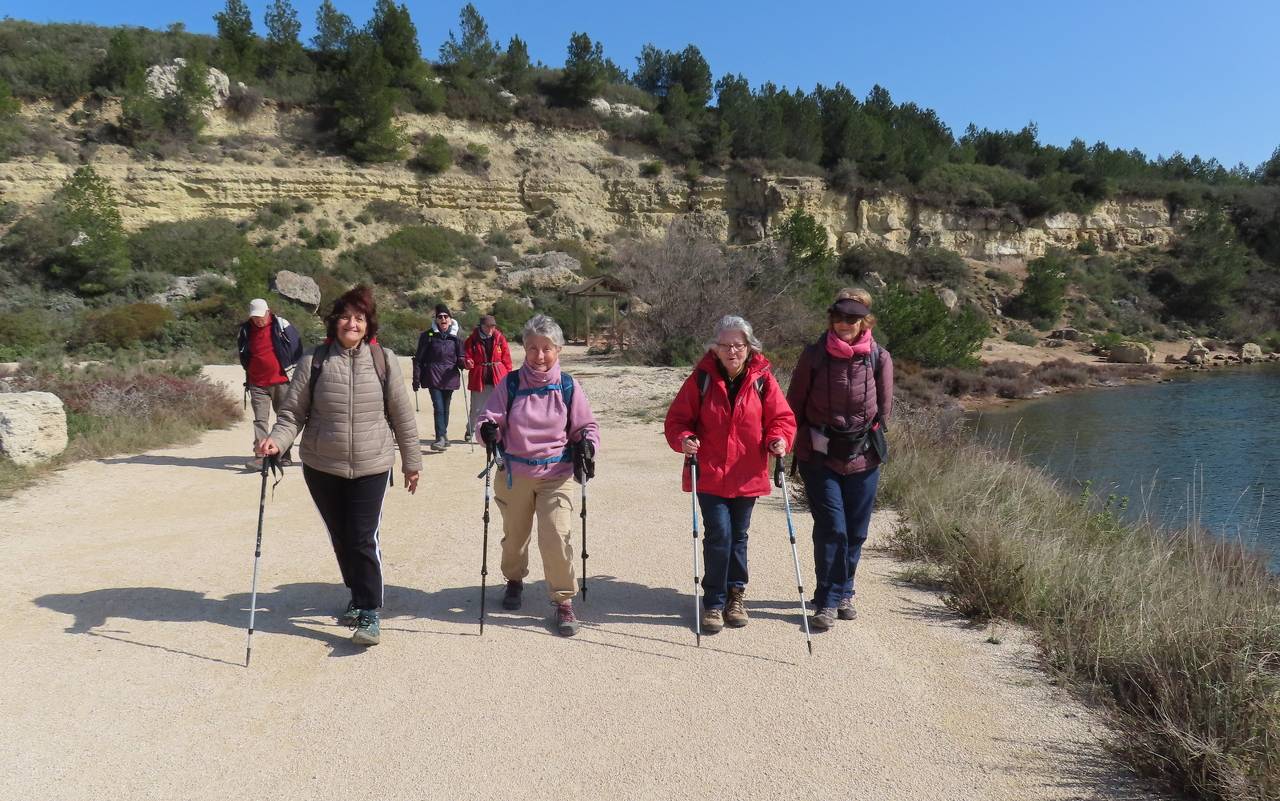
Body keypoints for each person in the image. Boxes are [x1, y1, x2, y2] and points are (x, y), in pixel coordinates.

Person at [256, 285, 421, 647]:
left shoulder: (384, 360)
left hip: (372, 464)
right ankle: (356, 591)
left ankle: (370, 610)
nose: (352, 323)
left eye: (359, 318)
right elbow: (291, 415)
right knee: (341, 537)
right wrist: (276, 441)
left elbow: (402, 415)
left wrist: (412, 462)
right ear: (335, 322)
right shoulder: (313, 361)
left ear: (368, 325)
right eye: (346, 317)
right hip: (322, 465)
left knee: (363, 537)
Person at [664, 316, 796, 633]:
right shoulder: (701, 379)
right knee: (719, 534)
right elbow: (677, 421)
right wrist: (684, 439)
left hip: (747, 474)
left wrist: (779, 439)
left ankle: (736, 595)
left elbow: (782, 419)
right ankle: (713, 601)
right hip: (710, 473)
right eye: (725, 345)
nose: (731, 350)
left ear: (749, 347)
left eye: (738, 344)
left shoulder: (763, 380)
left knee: (739, 536)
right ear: (716, 348)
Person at [476, 314, 600, 637]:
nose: (539, 356)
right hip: (515, 474)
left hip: (556, 474)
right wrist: (487, 430)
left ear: (558, 350)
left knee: (556, 535)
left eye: (546, 348)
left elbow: (586, 427)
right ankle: (514, 580)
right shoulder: (511, 383)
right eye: (532, 348)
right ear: (524, 350)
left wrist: (587, 445)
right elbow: (489, 417)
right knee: (514, 538)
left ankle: (563, 600)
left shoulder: (569, 386)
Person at [786, 291, 893, 631]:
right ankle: (828, 599)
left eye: (852, 319)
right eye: (838, 318)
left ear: (865, 322)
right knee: (833, 528)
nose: (844, 324)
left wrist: (861, 433)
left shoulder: (879, 357)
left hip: (864, 455)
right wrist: (790, 444)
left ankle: (845, 590)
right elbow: (795, 403)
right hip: (820, 455)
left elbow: (884, 407)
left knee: (857, 531)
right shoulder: (814, 356)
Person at [237, 298, 302, 470]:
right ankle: (261, 456)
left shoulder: (281, 325)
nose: (258, 320)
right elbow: (243, 353)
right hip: (257, 382)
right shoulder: (245, 330)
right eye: (254, 317)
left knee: (284, 419)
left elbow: (297, 348)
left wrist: (295, 374)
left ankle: (284, 454)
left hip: (281, 381)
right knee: (260, 420)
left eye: (260, 316)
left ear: (268, 311)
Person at [413, 303, 465, 451]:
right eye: (439, 317)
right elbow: (418, 358)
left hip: (449, 377)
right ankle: (440, 438)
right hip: (433, 375)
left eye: (445, 316)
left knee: (446, 408)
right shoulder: (427, 336)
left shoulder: (457, 337)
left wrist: (464, 363)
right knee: (439, 407)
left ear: (450, 319)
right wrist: (416, 378)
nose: (443, 319)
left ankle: (444, 435)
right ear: (436, 320)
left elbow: (461, 356)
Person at [462, 314, 512, 443]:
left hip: (498, 377)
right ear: (481, 326)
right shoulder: (472, 340)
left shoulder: (500, 339)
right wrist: (468, 361)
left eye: (493, 326)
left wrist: (509, 376)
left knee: (500, 407)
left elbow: (506, 359)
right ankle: (470, 430)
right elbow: (467, 355)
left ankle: (499, 432)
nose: (491, 329)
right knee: (477, 409)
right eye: (488, 326)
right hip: (479, 378)